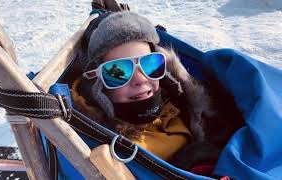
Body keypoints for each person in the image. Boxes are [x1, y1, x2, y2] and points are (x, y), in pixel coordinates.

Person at [69, 11, 243, 171]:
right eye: (118, 71)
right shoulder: (104, 145)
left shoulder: (179, 103)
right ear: (99, 85)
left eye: (150, 64)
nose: (141, 79)